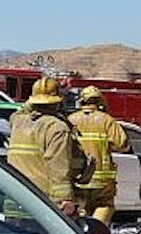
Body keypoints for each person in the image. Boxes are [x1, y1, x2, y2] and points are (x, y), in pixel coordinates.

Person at [7, 77, 87, 216]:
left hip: (14, 199)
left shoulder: (18, 122)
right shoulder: (57, 127)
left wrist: (32, 102)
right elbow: (58, 167)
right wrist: (64, 200)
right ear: (57, 102)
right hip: (41, 204)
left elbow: (20, 112)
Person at [69, 85, 130, 225]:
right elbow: (121, 144)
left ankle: (81, 232)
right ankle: (96, 231)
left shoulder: (71, 120)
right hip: (102, 180)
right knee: (104, 206)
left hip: (78, 178)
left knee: (80, 209)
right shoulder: (106, 120)